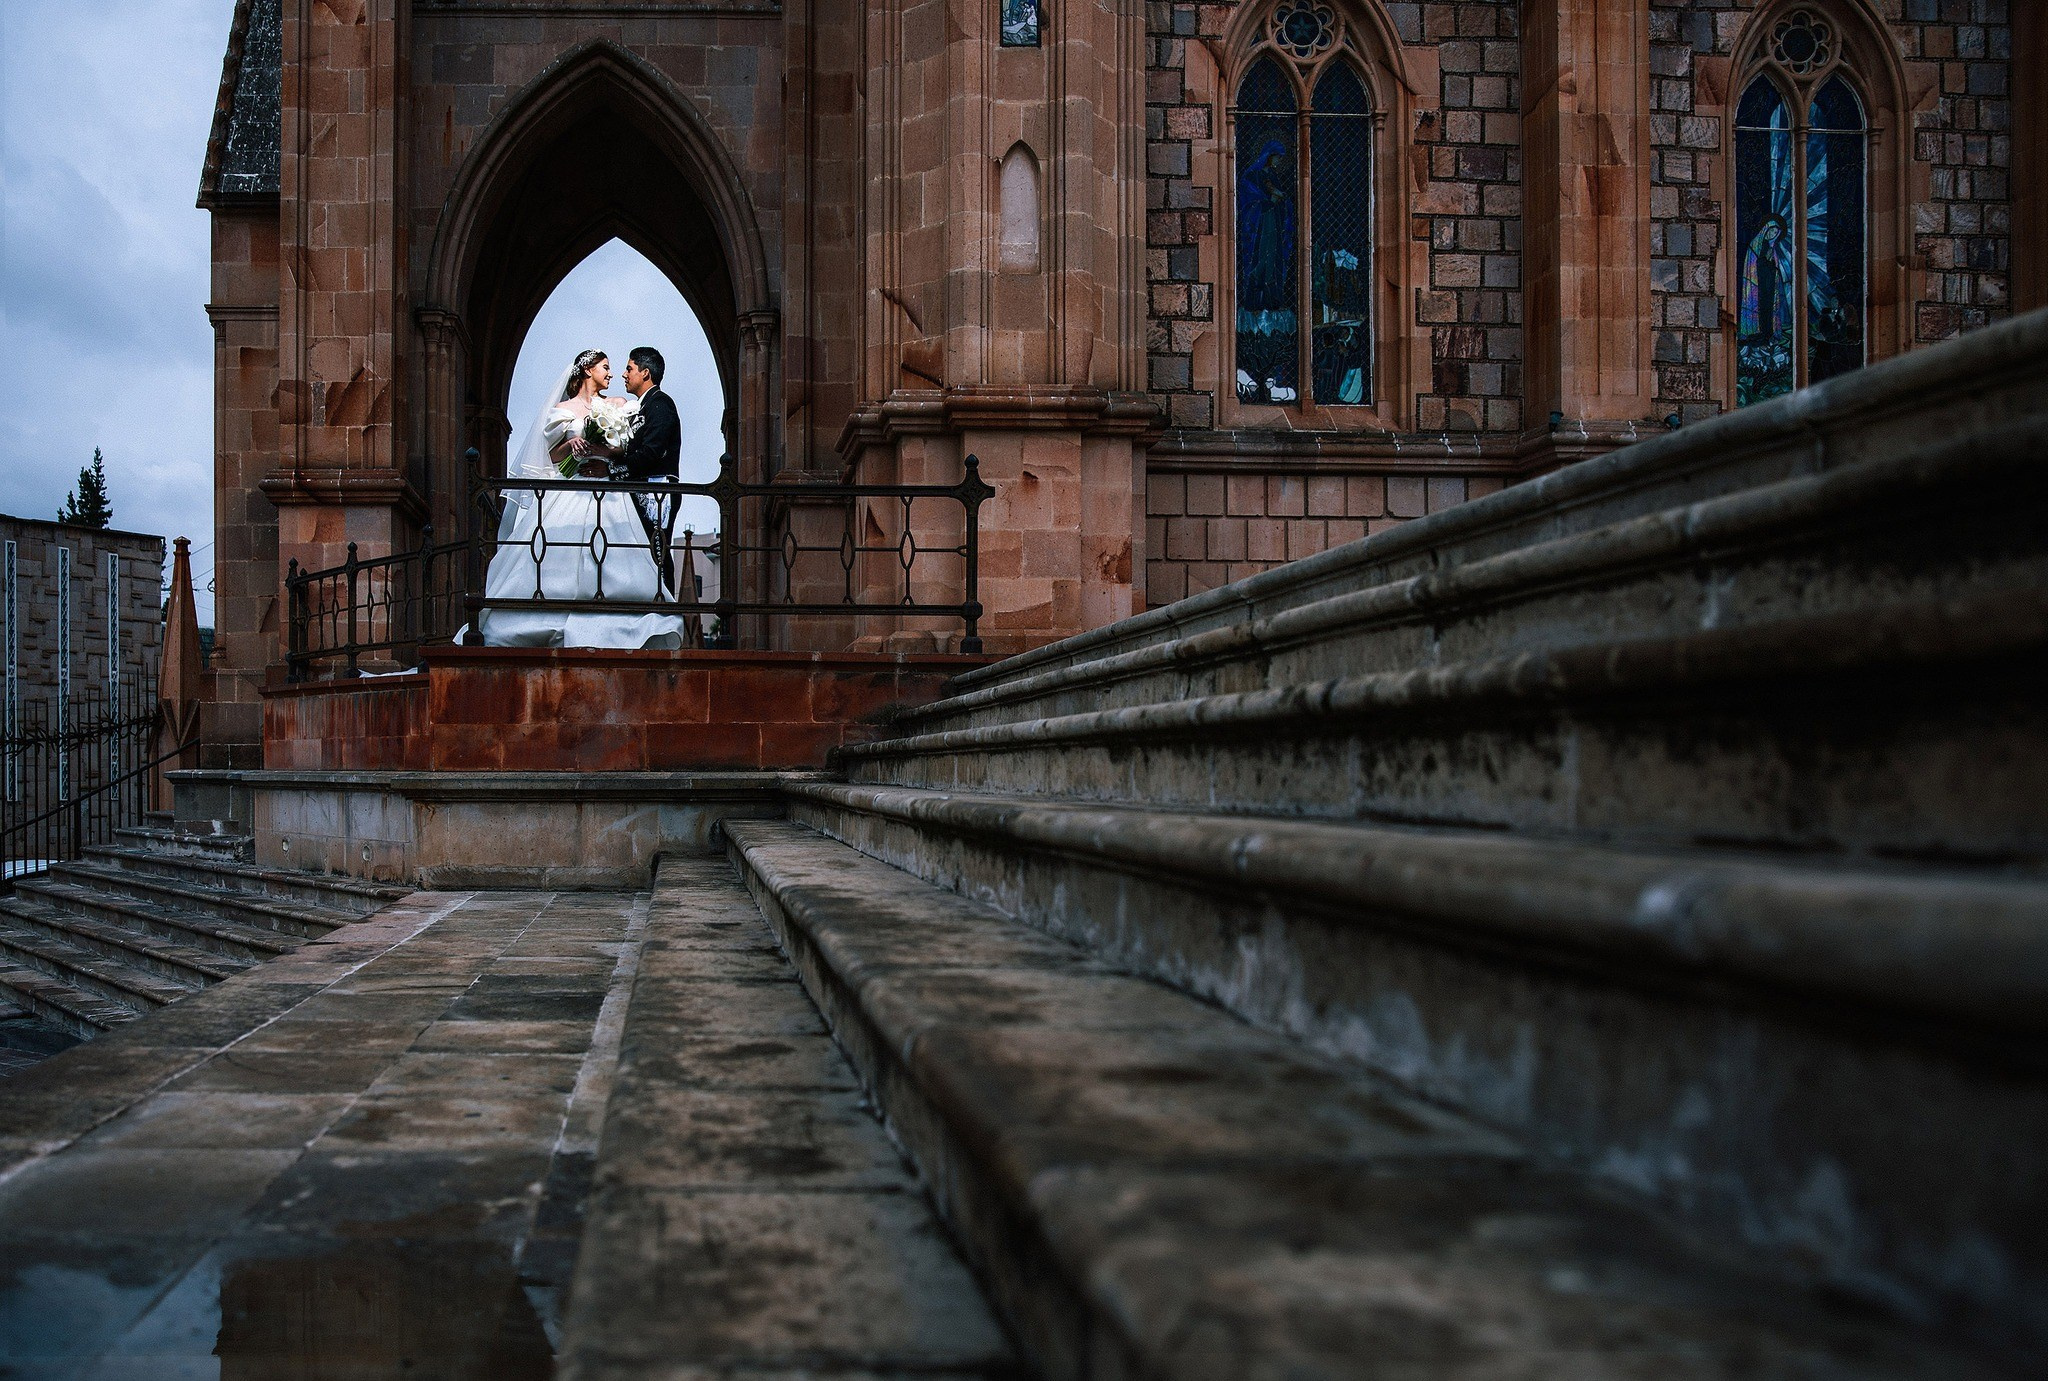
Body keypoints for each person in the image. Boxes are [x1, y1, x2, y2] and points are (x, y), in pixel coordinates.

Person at [473, 349, 687, 649]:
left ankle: (637, 614)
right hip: (574, 485)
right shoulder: (564, 409)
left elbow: (628, 449)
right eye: (606, 367)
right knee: (558, 544)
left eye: (624, 368)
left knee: (638, 549)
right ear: (587, 370)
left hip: (610, 486)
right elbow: (554, 455)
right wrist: (572, 443)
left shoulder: (620, 406)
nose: (615, 374)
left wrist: (606, 457)